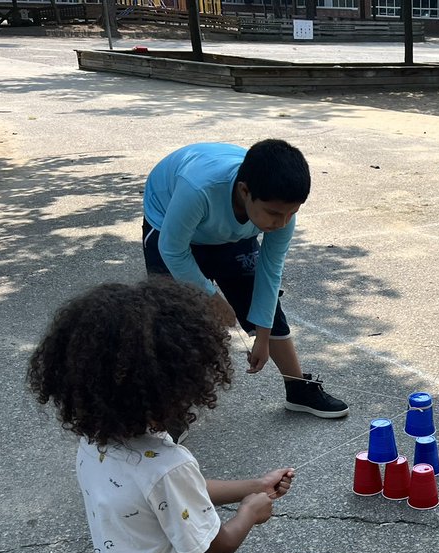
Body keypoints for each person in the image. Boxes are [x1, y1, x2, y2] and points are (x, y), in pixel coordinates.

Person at [27, 280, 362, 553]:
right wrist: (249, 513)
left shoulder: (98, 442)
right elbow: (215, 548)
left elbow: (173, 494)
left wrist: (251, 485)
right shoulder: (166, 463)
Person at [142, 139, 348, 419]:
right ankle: (169, 412)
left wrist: (262, 338)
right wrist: (211, 297)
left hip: (231, 230)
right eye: (274, 214)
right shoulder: (198, 188)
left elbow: (269, 273)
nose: (282, 223)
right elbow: (172, 250)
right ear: (244, 191)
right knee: (173, 318)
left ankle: (298, 388)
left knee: (260, 297)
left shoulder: (278, 211)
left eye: (292, 214)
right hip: (171, 228)